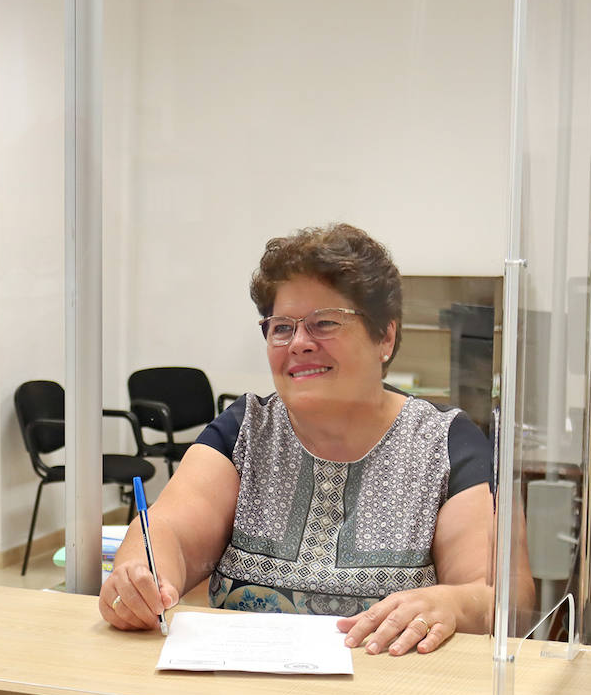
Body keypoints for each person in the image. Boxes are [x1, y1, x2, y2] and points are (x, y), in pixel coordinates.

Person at [100, 223, 534, 655]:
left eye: (324, 323)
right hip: (240, 687)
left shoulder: (446, 442)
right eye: (282, 327)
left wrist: (451, 604)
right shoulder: (246, 429)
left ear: (385, 337)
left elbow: (500, 595)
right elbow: (168, 530)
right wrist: (140, 575)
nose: (299, 343)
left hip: (388, 691)